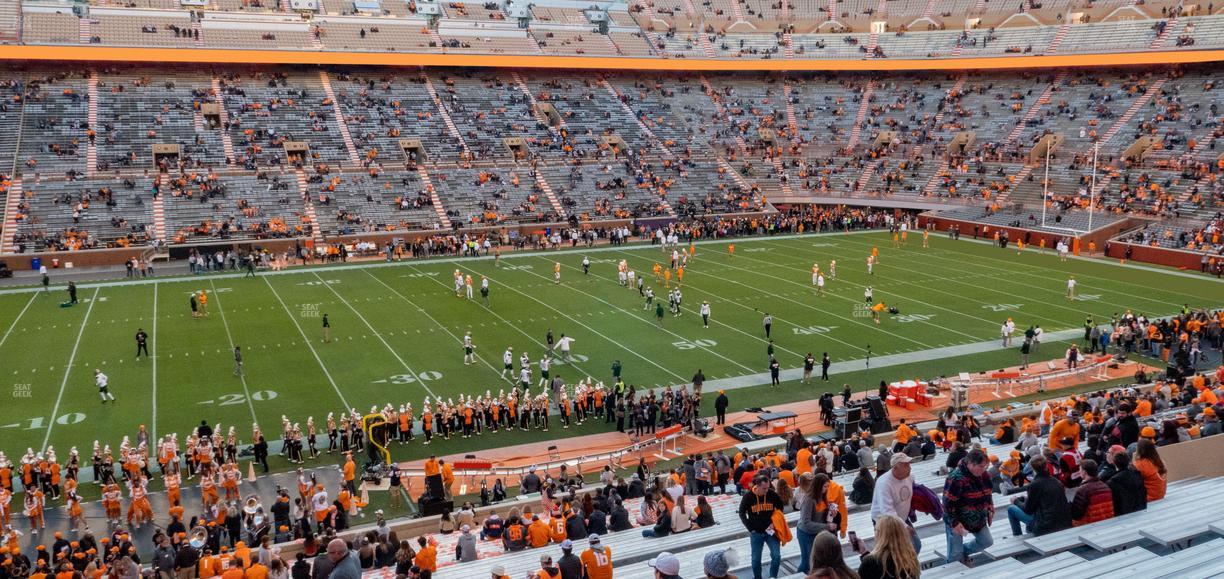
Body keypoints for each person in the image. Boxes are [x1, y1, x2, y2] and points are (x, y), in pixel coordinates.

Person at [941, 450, 994, 564]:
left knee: (987, 541)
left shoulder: (984, 474)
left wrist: (990, 506)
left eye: (985, 466)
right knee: (955, 555)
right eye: (981, 466)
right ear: (970, 463)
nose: (983, 469)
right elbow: (947, 504)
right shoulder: (956, 478)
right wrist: (954, 522)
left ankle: (963, 553)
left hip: (978, 519)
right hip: (957, 520)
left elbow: (988, 493)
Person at [1005, 456, 1069, 537]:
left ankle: (1017, 537)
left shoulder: (1035, 484)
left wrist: (1015, 501)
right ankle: (1028, 530)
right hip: (1063, 522)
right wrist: (1027, 499)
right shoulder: (1057, 482)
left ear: (1032, 468)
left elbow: (1028, 510)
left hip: (1045, 526)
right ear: (1046, 466)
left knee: (1011, 509)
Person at [739, 473, 784, 579]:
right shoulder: (748, 496)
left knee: (776, 556)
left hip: (771, 531)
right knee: (755, 560)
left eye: (768, 487)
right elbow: (741, 512)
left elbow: (780, 508)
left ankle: (773, 576)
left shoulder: (772, 494)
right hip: (756, 533)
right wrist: (750, 529)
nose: (766, 490)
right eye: (764, 488)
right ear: (757, 486)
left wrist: (775, 522)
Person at [870, 454, 918, 553]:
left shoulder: (909, 477)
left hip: (901, 518)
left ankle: (907, 566)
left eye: (909, 464)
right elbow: (887, 511)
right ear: (896, 467)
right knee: (891, 552)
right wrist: (904, 527)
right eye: (906, 465)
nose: (910, 467)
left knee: (916, 545)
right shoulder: (884, 483)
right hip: (885, 523)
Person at [1068, 459, 1113, 526]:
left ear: (1084, 472)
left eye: (1080, 469)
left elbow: (1076, 515)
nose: (1079, 472)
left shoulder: (1083, 490)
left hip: (1090, 526)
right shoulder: (1105, 487)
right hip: (1107, 523)